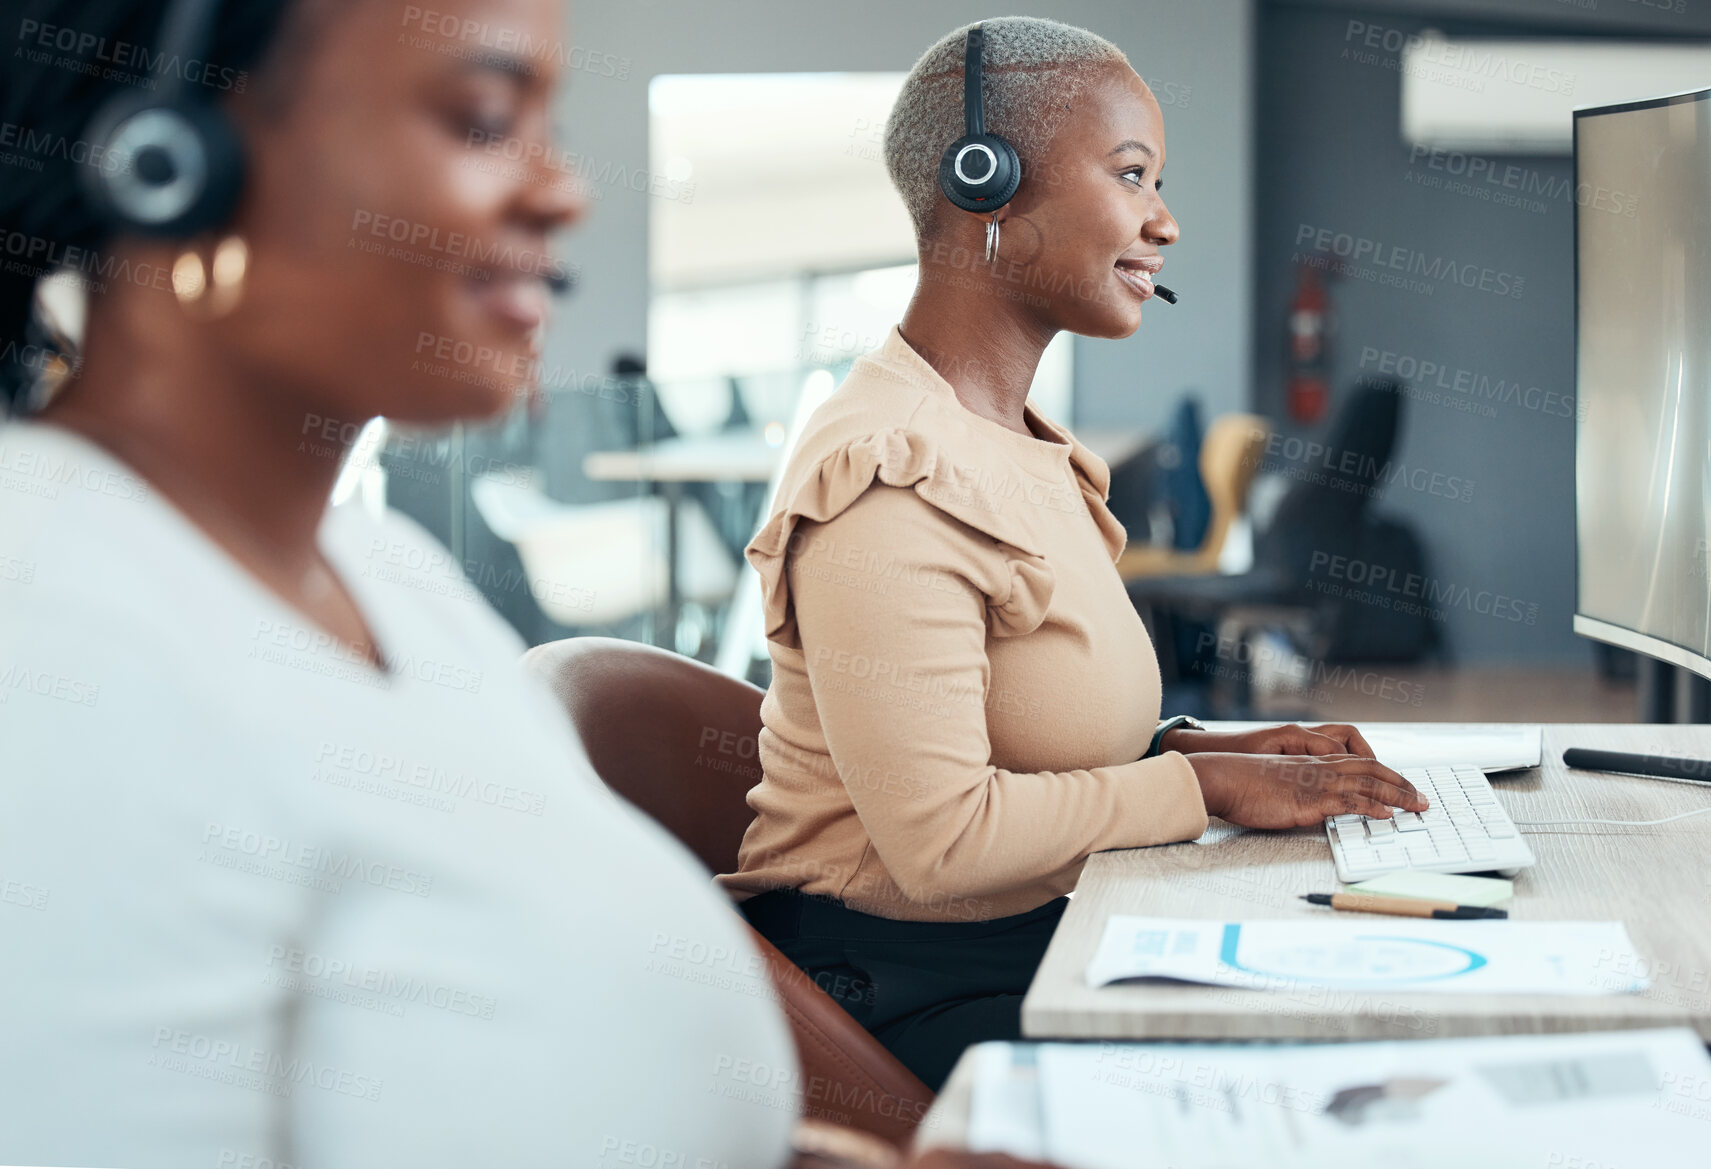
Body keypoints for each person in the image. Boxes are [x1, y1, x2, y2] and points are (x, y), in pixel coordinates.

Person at [0, 3, 1042, 1167]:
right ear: (167, 160)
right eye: (484, 117)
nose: (562, 190)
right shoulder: (54, 637)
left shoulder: (388, 579)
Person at [717, 16, 1426, 1092]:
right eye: (1130, 173)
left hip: (1021, 932)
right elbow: (942, 842)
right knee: (1341, 1063)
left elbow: (1015, 730)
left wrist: (1203, 751)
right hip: (904, 988)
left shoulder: (1009, 438)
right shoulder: (888, 472)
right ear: (983, 179)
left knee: (1377, 987)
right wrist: (1213, 790)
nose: (1165, 220)